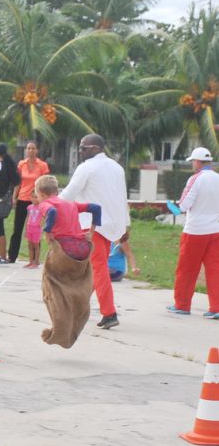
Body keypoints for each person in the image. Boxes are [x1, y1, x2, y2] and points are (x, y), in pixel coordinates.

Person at [60, 133, 129, 330]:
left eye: (84, 148)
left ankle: (109, 313)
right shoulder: (117, 168)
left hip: (93, 227)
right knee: (92, 269)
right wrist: (125, 225)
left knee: (97, 269)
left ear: (96, 148)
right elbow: (122, 198)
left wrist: (49, 204)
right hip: (111, 226)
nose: (80, 151)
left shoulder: (86, 168)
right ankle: (77, 308)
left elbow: (68, 195)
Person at [35, 174, 102, 347]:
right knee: (77, 286)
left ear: (41, 193)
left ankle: (60, 331)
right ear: (57, 191)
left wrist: (48, 232)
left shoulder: (45, 204)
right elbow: (95, 208)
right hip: (82, 249)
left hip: (64, 250)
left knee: (51, 287)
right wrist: (92, 232)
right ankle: (79, 317)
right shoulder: (70, 203)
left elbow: (51, 212)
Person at [167, 147, 219, 318]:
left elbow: (183, 206)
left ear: (197, 162)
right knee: (214, 269)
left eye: (192, 162)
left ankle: (182, 304)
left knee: (187, 269)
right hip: (216, 230)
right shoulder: (217, 178)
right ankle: (216, 308)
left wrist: (172, 207)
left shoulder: (195, 179)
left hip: (195, 231)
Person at [9, 141, 50, 263]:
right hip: (22, 198)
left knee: (36, 228)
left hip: (37, 201)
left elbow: (46, 183)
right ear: (26, 150)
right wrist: (14, 197)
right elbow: (18, 182)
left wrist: (46, 200)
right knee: (17, 228)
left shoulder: (42, 165)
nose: (31, 150)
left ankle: (34, 259)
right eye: (29, 148)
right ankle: (12, 256)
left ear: (37, 150)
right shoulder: (21, 164)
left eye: (33, 148)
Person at [24, 189, 43, 269]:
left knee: (36, 246)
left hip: (37, 229)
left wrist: (41, 227)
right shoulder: (29, 207)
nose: (34, 199)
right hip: (29, 228)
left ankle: (36, 262)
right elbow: (27, 218)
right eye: (33, 197)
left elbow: (44, 218)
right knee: (30, 246)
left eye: (36, 197)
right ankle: (30, 261)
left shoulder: (42, 207)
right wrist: (25, 229)